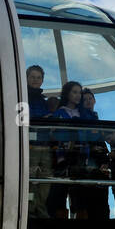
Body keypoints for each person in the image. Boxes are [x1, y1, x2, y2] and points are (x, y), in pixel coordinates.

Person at [48, 81, 83, 219]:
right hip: (62, 156)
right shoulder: (60, 113)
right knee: (60, 191)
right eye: (74, 92)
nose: (78, 95)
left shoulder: (83, 113)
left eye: (79, 92)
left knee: (78, 192)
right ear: (67, 93)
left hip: (79, 156)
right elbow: (51, 133)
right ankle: (60, 222)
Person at [25, 65, 54, 218]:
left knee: (45, 179)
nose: (36, 80)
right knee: (30, 178)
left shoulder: (42, 99)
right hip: (31, 144)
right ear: (26, 78)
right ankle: (30, 212)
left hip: (43, 143)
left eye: (39, 77)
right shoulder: (23, 95)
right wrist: (43, 119)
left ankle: (40, 210)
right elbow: (22, 117)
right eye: (32, 77)